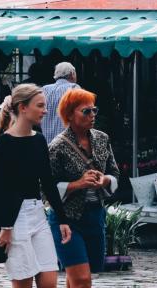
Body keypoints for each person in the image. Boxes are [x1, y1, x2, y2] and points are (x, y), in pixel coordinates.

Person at [0, 84, 71, 288]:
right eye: (40, 105)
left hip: (37, 213)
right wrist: (6, 226)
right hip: (15, 218)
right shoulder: (5, 143)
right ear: (23, 107)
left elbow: (48, 181)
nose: (45, 110)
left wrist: (62, 218)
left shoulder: (39, 140)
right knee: (23, 283)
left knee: (49, 282)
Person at [48, 89, 120, 288]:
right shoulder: (57, 146)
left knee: (79, 277)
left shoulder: (102, 139)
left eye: (94, 110)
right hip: (67, 219)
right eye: (86, 111)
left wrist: (104, 180)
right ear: (70, 114)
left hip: (95, 216)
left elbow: (115, 174)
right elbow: (46, 188)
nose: (92, 115)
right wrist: (78, 184)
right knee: (81, 279)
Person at [41, 62, 79, 144]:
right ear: (72, 74)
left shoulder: (44, 89)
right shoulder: (74, 88)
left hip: (46, 143)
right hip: (66, 144)